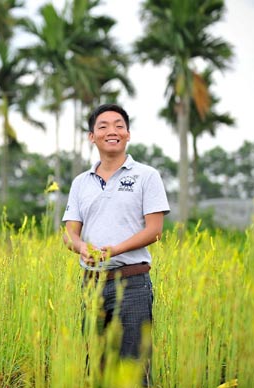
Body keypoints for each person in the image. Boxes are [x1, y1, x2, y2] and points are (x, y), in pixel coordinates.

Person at [62, 103, 170, 385]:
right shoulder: (80, 182)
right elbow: (69, 233)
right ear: (91, 136)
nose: (112, 131)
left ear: (128, 134)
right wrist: (81, 247)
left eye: (119, 125)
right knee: (95, 368)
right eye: (103, 126)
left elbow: (155, 230)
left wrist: (114, 250)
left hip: (132, 283)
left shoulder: (147, 176)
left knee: (134, 369)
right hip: (92, 285)